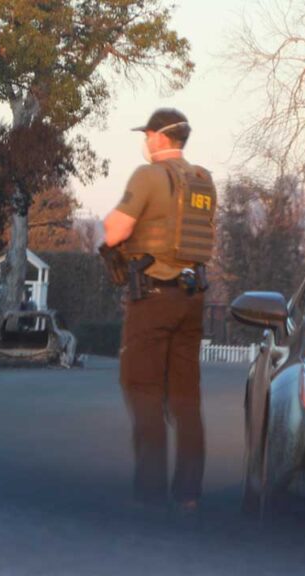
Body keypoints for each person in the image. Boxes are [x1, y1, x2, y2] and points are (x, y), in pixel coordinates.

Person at [101, 108, 217, 516]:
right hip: (192, 297)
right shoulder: (203, 181)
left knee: (144, 389)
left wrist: (109, 226)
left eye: (148, 134)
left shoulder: (147, 176)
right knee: (186, 397)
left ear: (161, 138)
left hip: (152, 298)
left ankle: (149, 492)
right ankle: (188, 493)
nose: (145, 141)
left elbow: (116, 230)